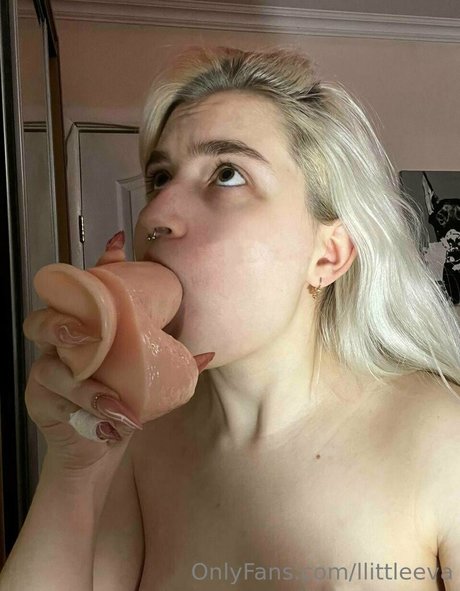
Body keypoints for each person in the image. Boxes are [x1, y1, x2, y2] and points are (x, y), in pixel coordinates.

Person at [1, 45, 460, 591]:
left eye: (227, 174)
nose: (154, 215)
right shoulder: (135, 439)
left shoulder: (442, 437)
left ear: (328, 255)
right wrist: (73, 469)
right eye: (160, 177)